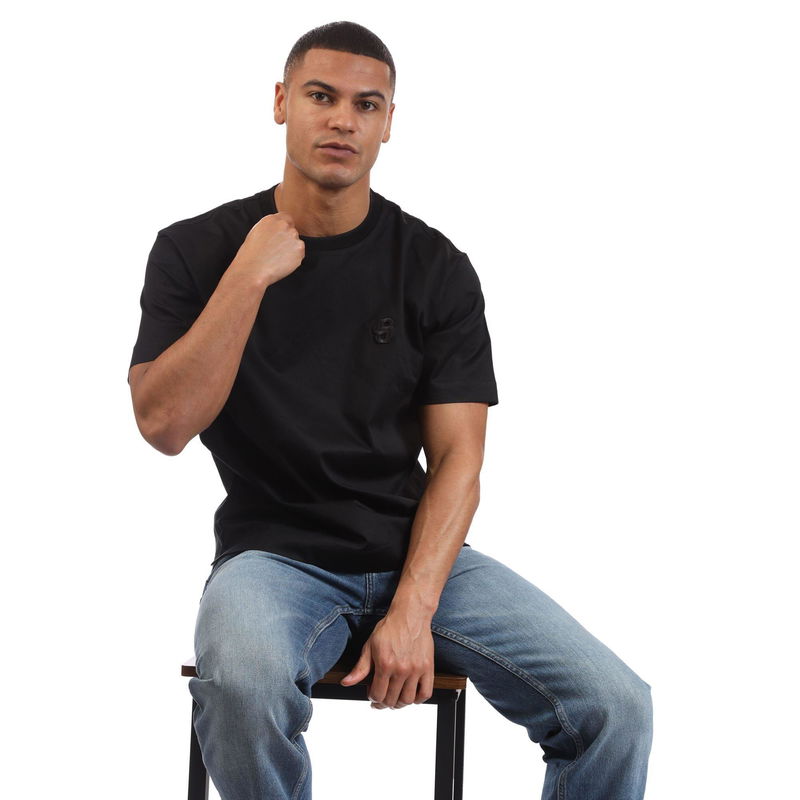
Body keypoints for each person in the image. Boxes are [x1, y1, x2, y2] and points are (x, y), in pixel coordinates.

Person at [128, 20, 653, 800]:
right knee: (241, 685)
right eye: (321, 96)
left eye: (366, 105)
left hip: (420, 556)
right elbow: (164, 425)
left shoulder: (435, 267)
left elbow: (460, 460)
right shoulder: (195, 250)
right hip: (273, 559)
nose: (344, 120)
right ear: (281, 103)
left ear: (388, 123)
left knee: (615, 706)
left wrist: (413, 606)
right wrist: (248, 276)